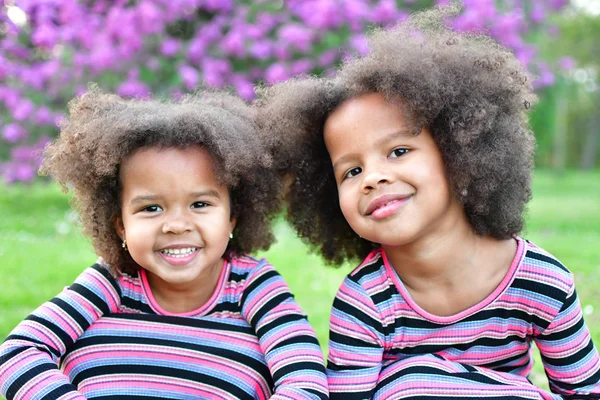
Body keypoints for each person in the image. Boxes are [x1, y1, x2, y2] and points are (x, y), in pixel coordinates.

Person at [255, 6, 600, 400]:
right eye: (350, 172)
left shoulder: (542, 282)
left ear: (458, 153)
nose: (373, 178)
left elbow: (584, 392)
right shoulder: (365, 299)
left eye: (399, 151)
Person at [0, 87, 328, 400]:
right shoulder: (110, 282)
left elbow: (304, 382)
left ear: (233, 216)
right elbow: (19, 352)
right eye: (151, 208)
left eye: (200, 204)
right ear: (121, 226)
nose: (175, 225)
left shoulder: (253, 286)